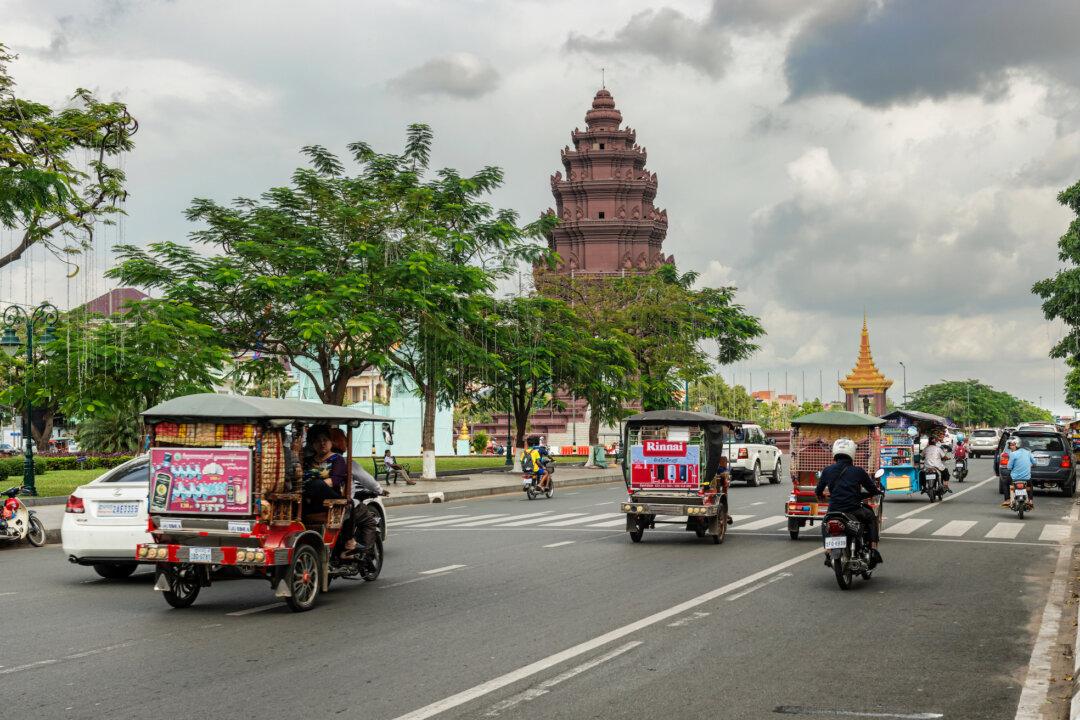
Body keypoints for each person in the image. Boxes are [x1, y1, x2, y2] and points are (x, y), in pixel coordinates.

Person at [815, 438, 883, 567]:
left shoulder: (827, 470)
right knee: (871, 518)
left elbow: (818, 491)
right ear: (852, 454)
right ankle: (873, 549)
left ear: (834, 453)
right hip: (854, 510)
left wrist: (821, 496)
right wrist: (876, 492)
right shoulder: (858, 471)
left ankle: (828, 551)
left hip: (834, 510)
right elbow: (872, 489)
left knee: (825, 524)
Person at [328, 429, 386, 560]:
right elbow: (367, 480)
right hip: (342, 505)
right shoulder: (343, 462)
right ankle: (357, 549)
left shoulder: (310, 461)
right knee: (369, 522)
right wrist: (379, 489)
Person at [302, 425, 358, 559]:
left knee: (315, 484)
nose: (322, 444)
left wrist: (314, 485)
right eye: (317, 441)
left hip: (329, 497)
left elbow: (335, 480)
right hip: (310, 501)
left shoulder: (337, 459)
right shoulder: (308, 461)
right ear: (312, 444)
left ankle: (349, 541)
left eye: (324, 440)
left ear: (330, 442)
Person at [1002, 436, 1036, 508]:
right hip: (1026, 478)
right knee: (1030, 486)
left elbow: (1009, 467)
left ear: (1017, 444)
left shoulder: (1013, 454)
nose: (1011, 447)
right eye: (1010, 445)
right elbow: (1034, 462)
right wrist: (1031, 465)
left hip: (1015, 478)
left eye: (1013, 445)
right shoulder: (1028, 452)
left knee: (1005, 483)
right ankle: (1030, 500)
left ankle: (1007, 499)